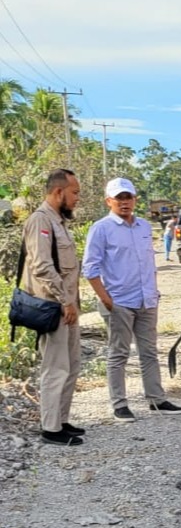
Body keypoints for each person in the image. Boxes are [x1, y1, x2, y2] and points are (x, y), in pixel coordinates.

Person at [82, 177, 181, 423]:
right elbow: (90, 269)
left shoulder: (144, 227)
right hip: (118, 301)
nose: (124, 202)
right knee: (118, 354)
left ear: (135, 199)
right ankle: (119, 404)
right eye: (119, 198)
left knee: (149, 352)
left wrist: (154, 292)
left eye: (128, 197)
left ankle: (156, 399)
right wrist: (106, 300)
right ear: (109, 201)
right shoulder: (101, 228)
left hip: (147, 299)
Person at [22, 169, 84, 446]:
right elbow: (42, 267)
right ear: (59, 192)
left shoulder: (58, 222)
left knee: (71, 365)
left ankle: (61, 419)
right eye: (74, 193)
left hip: (67, 307)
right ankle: (50, 428)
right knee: (55, 368)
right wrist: (65, 301)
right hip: (54, 306)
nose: (77, 199)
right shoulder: (40, 221)